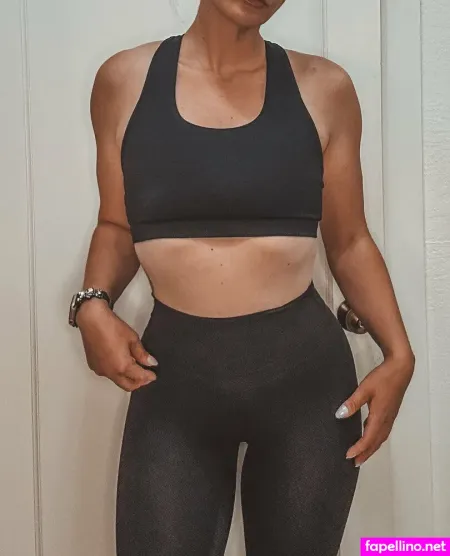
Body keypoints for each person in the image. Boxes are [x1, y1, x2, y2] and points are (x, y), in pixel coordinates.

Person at [69, 0, 415, 554]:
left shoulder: (325, 88)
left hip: (305, 385)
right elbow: (116, 224)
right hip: (174, 380)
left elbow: (349, 241)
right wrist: (92, 303)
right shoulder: (124, 81)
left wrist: (399, 355)